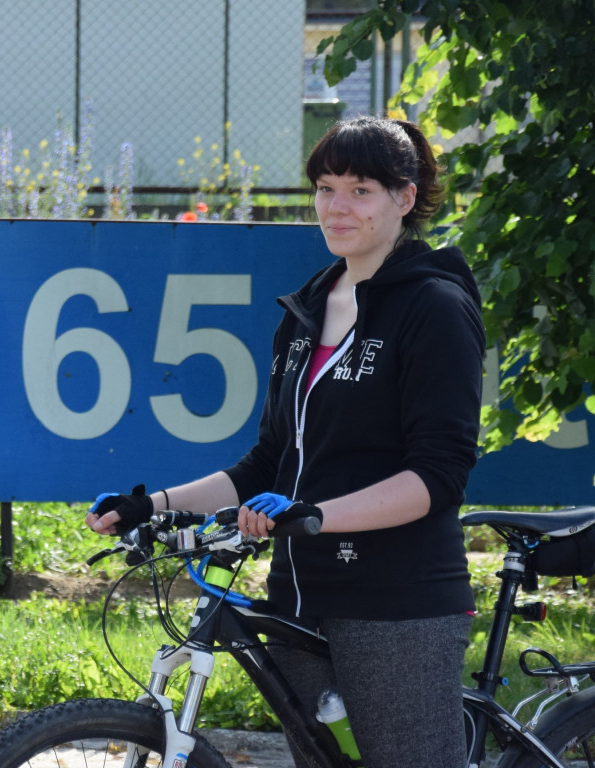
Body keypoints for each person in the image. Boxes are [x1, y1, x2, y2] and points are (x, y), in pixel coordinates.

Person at [87, 116, 484, 767]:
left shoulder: (433, 306)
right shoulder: (308, 309)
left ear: (404, 198)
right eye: (326, 188)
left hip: (396, 599)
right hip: (301, 593)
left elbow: (438, 476)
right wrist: (149, 504)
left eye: (360, 190)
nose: (336, 207)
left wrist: (316, 515)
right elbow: (270, 461)